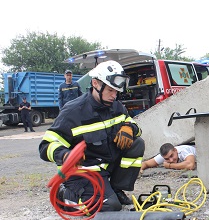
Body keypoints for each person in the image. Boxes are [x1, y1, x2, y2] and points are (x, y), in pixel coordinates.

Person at [39, 60, 145, 211]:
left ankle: (115, 189)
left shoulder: (116, 107)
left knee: (137, 143)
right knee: (110, 206)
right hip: (84, 172)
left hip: (104, 167)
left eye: (117, 91)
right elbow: (45, 146)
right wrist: (65, 155)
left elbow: (136, 128)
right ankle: (65, 195)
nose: (114, 96)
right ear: (95, 83)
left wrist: (129, 127)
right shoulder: (73, 112)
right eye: (110, 90)